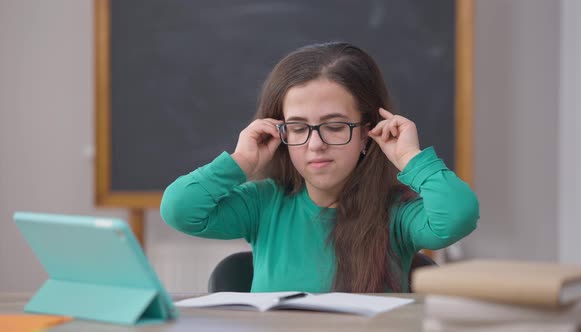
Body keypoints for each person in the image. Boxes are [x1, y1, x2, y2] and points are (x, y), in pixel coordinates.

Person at [160, 42, 479, 293]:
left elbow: (457, 216)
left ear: (368, 132)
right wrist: (241, 162)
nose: (315, 144)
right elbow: (180, 210)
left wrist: (410, 156)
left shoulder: (396, 212)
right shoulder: (264, 203)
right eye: (298, 128)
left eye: (336, 126)